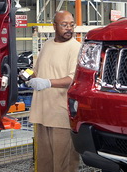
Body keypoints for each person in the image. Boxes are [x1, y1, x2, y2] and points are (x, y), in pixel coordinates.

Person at [27, 10, 81, 172]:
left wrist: (47, 82)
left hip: (61, 115)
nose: (69, 29)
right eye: (64, 25)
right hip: (42, 113)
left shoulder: (75, 48)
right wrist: (27, 76)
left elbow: (73, 79)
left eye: (71, 25)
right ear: (54, 26)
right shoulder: (47, 45)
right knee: (44, 162)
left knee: (64, 163)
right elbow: (37, 71)